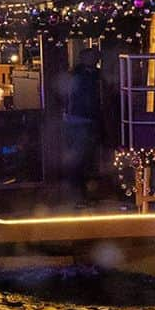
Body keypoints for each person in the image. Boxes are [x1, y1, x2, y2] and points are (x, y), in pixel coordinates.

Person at [64, 47, 101, 204]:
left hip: (82, 118)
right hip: (81, 119)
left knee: (85, 158)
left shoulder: (80, 74)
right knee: (82, 158)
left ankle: (83, 194)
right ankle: (80, 194)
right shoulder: (83, 76)